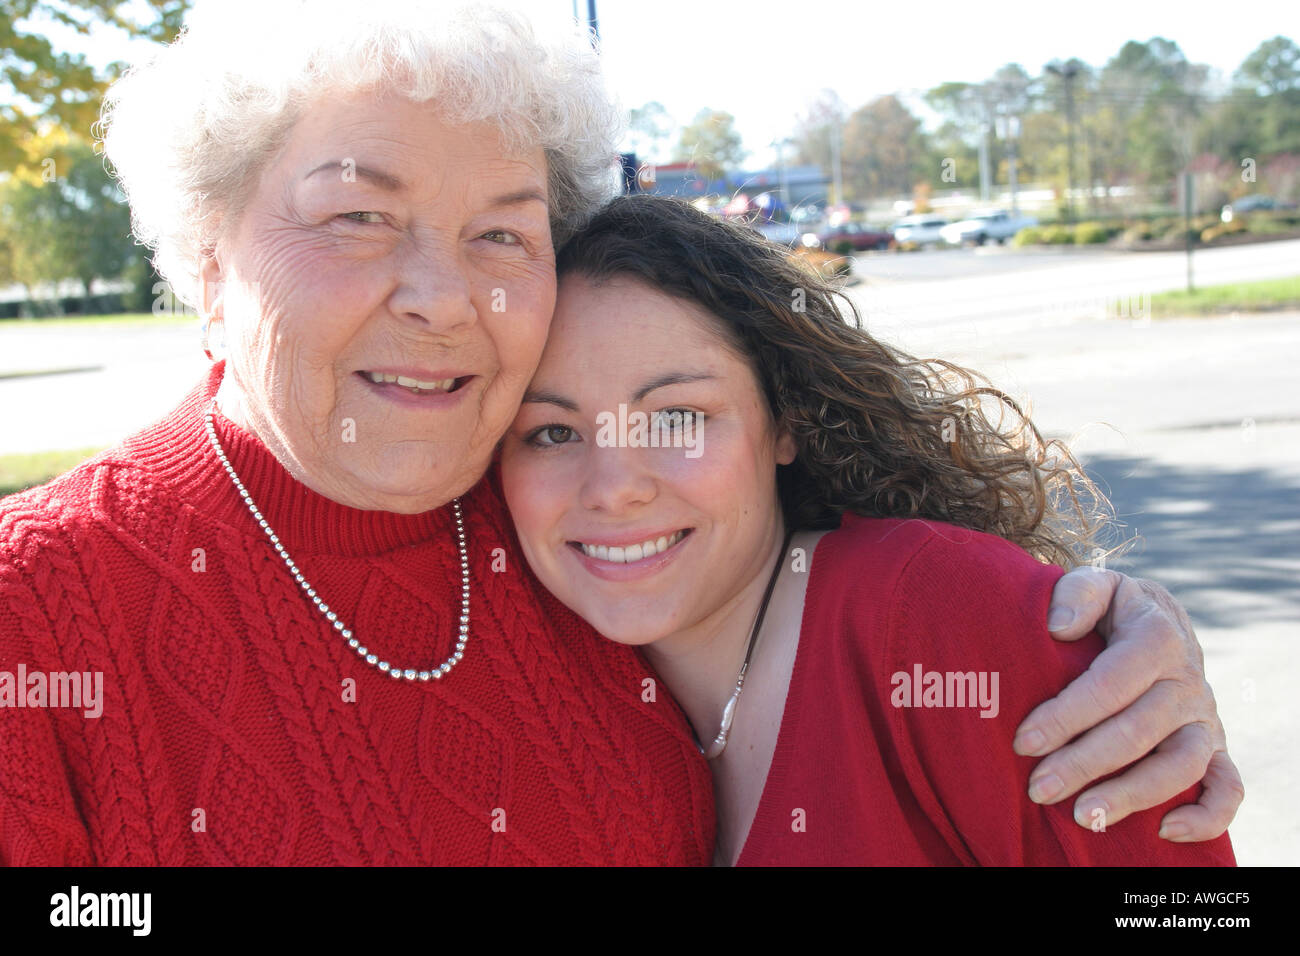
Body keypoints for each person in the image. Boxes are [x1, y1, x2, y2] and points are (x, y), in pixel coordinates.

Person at [0, 0, 1238, 866]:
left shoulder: (555, 523)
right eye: (357, 218)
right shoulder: (37, 612)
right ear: (210, 266)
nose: (443, 296)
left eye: (501, 233)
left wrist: (1079, 628)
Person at [498, 194, 1237, 865]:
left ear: (783, 421)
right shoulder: (541, 669)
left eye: (678, 419)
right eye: (554, 432)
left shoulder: (937, 614)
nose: (615, 486)